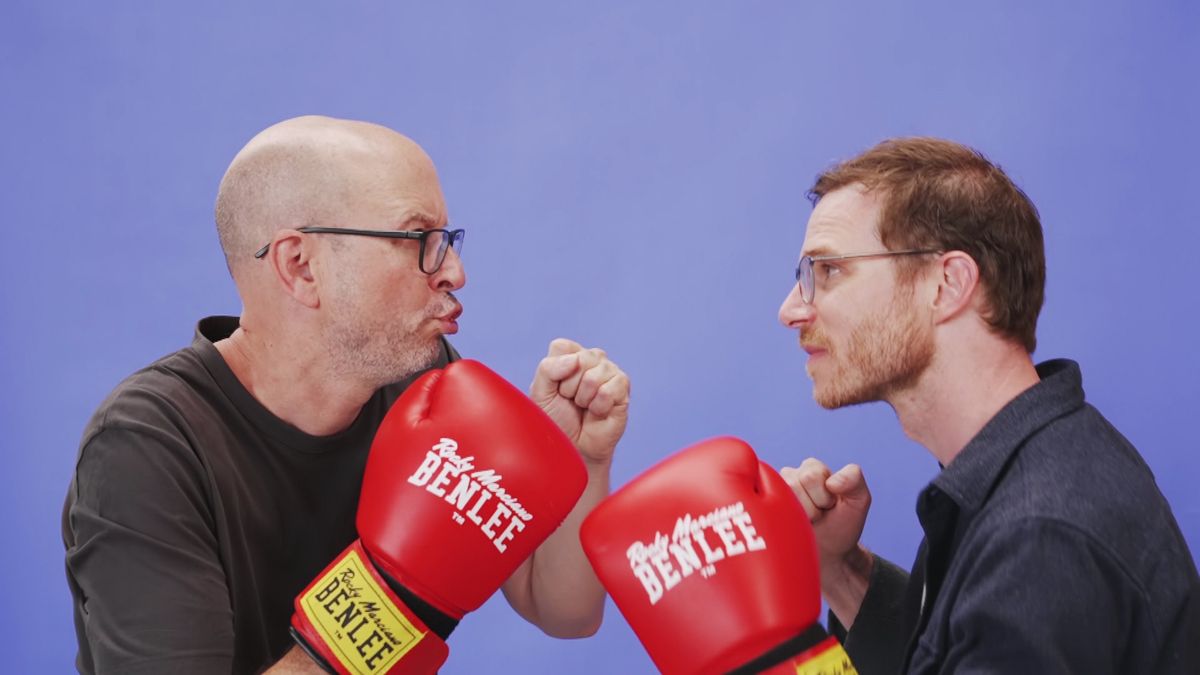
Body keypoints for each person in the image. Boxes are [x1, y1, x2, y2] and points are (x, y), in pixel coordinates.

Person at [62, 115, 630, 674]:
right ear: (301, 266)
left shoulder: (419, 386)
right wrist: (389, 604)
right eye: (420, 239)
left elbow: (564, 612)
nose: (454, 270)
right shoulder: (146, 447)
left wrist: (579, 456)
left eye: (449, 240)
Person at [777, 137, 1199, 674]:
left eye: (828, 271)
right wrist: (838, 573)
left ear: (947, 284)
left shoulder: (1039, 540)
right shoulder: (1026, 482)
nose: (791, 309)